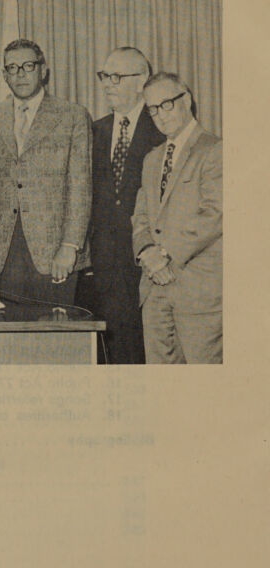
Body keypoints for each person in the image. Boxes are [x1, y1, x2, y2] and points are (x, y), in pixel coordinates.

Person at [0, 39, 92, 306]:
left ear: (43, 70)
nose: (20, 74)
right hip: (6, 250)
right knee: (12, 339)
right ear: (4, 75)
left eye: (28, 66)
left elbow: (81, 186)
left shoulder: (73, 116)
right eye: (12, 68)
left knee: (56, 341)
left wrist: (70, 246)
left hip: (56, 251)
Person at [132, 73, 222, 363]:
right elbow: (141, 216)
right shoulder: (151, 159)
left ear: (187, 99)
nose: (159, 115)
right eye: (152, 109)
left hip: (198, 293)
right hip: (154, 289)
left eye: (166, 104)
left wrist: (165, 254)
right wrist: (146, 252)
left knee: (203, 391)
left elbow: (215, 213)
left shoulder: (215, 150)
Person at [89, 47, 165, 363]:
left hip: (149, 263)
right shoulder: (96, 129)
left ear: (142, 82)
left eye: (117, 77)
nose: (108, 84)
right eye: (105, 76)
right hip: (104, 266)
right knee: (113, 352)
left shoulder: (161, 128)